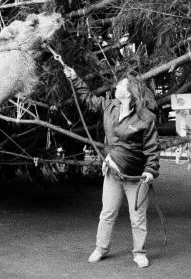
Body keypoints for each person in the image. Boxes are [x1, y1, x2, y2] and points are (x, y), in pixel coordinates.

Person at [63, 66, 160, 268]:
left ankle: (139, 252)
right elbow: (88, 98)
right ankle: (101, 248)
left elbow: (152, 148)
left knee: (138, 218)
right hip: (113, 173)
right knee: (107, 213)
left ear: (130, 92)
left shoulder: (146, 118)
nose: (117, 86)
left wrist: (150, 171)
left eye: (121, 85)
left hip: (136, 177)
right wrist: (74, 77)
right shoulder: (110, 106)